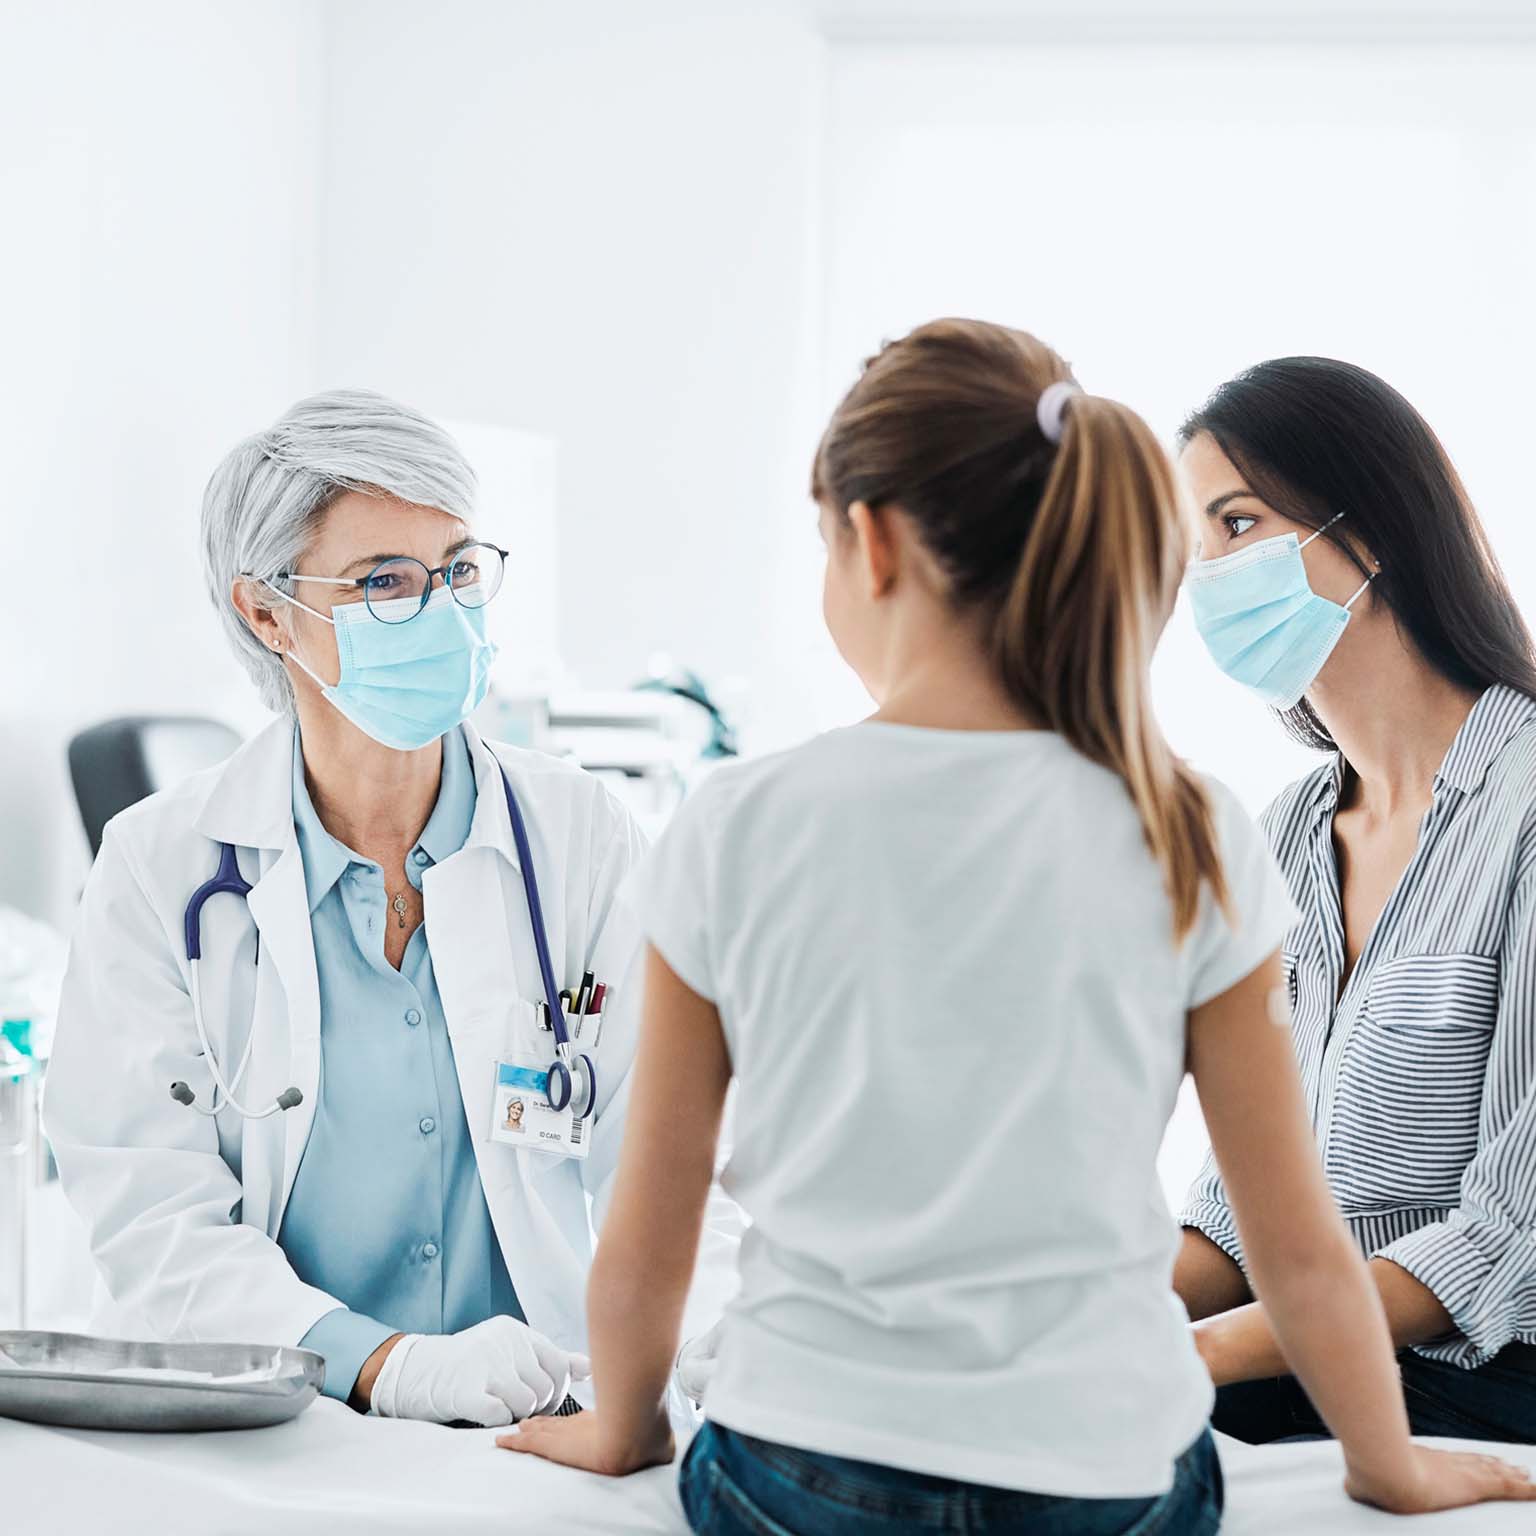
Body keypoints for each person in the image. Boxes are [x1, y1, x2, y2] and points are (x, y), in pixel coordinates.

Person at [503, 320, 1533, 1526]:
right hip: (1112, 1479)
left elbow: (655, 1207)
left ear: (871, 542)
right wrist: (1382, 1467)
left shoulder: (733, 820)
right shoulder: (1203, 825)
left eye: (1241, 524)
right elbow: (1292, 1238)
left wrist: (623, 1425)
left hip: (802, 1462)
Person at [45, 390, 737, 1427]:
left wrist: (741, 1375)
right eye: (387, 584)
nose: (445, 611)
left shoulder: (577, 835)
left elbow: (683, 1166)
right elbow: (155, 1219)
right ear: (268, 613)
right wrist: (385, 1365)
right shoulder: (158, 869)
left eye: (459, 569)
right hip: (273, 1425)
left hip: (534, 1424)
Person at [1174, 357, 1536, 1445]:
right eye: (1194, 543)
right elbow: (1240, 1209)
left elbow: (1509, 1233)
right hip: (1304, 1350)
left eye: (1236, 524)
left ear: (1370, 532)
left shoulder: (1523, 810)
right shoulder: (1287, 832)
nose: (1208, 575)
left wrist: (1190, 1353)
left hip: (1475, 1376)